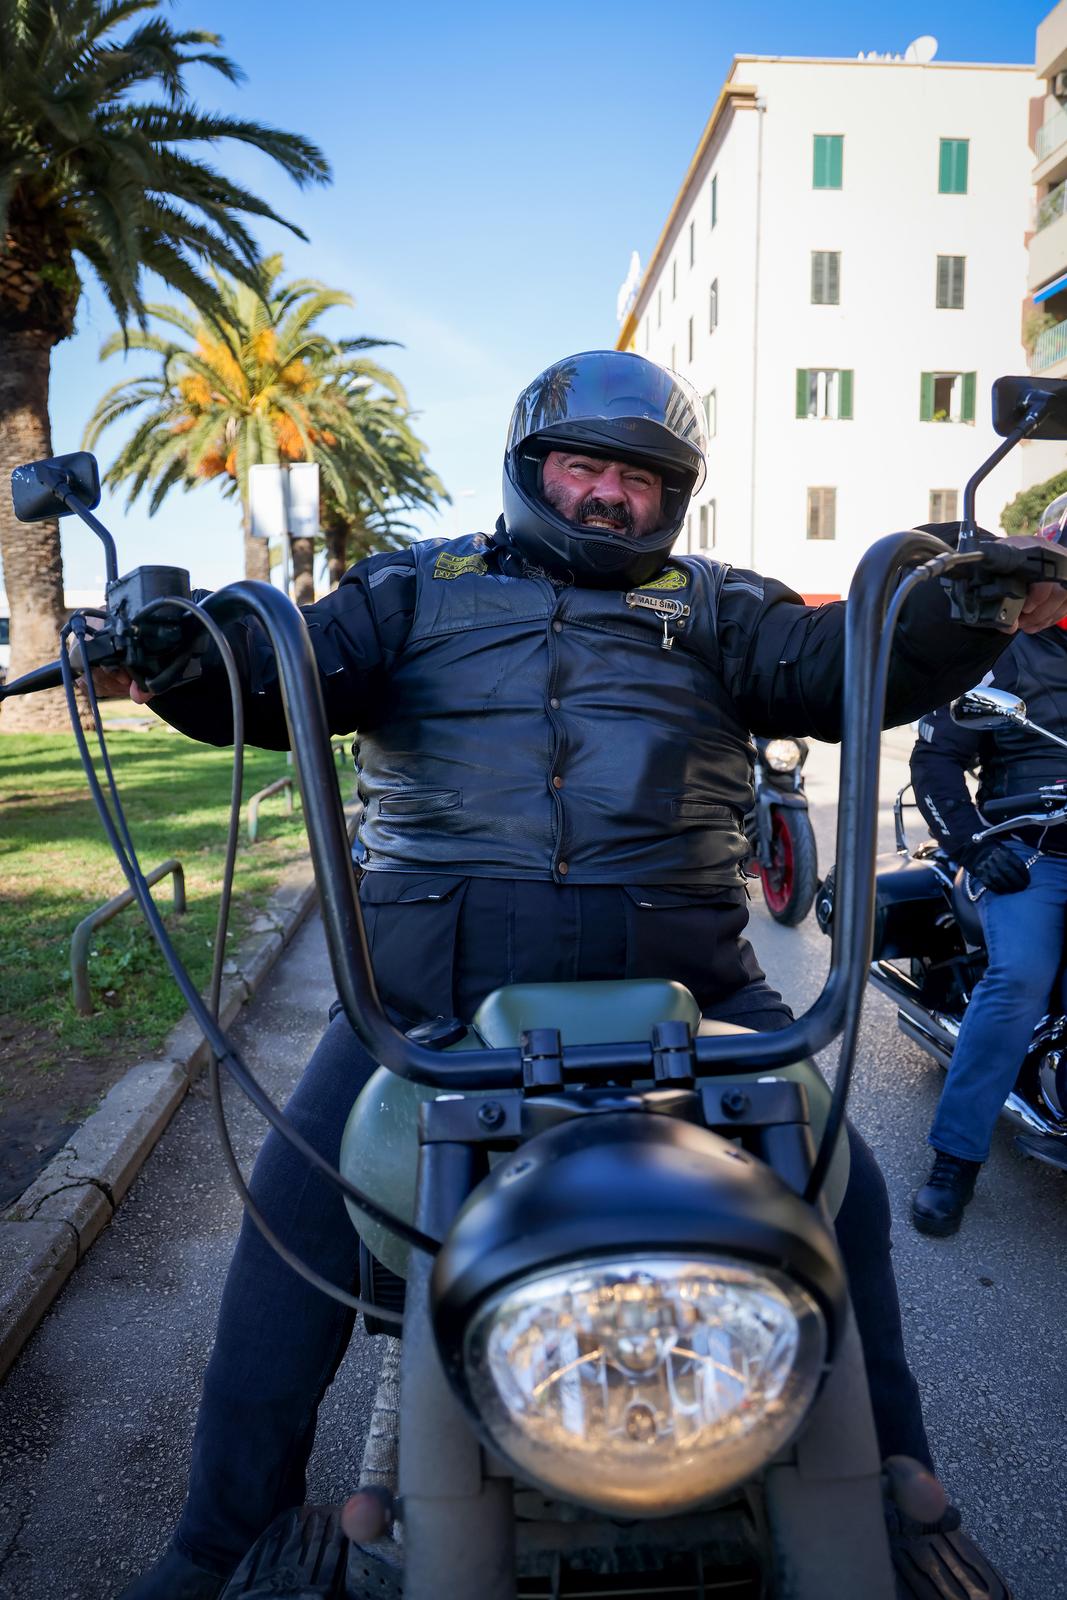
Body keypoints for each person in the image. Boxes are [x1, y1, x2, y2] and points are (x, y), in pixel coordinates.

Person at [108, 351, 1060, 1599]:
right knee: (295, 1219)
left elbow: (838, 661)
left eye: (635, 476)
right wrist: (185, 650)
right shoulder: (408, 587)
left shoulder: (720, 604)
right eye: (584, 465)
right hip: (421, 984)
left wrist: (962, 595)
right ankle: (218, 1537)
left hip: (688, 978)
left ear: (671, 494)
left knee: (844, 1193)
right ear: (528, 467)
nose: (608, 494)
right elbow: (287, 670)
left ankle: (896, 1489)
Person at [910, 554, 1067, 1237]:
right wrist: (973, 845)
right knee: (1018, 979)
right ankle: (955, 1160)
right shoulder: (1006, 653)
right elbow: (937, 756)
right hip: (1031, 851)